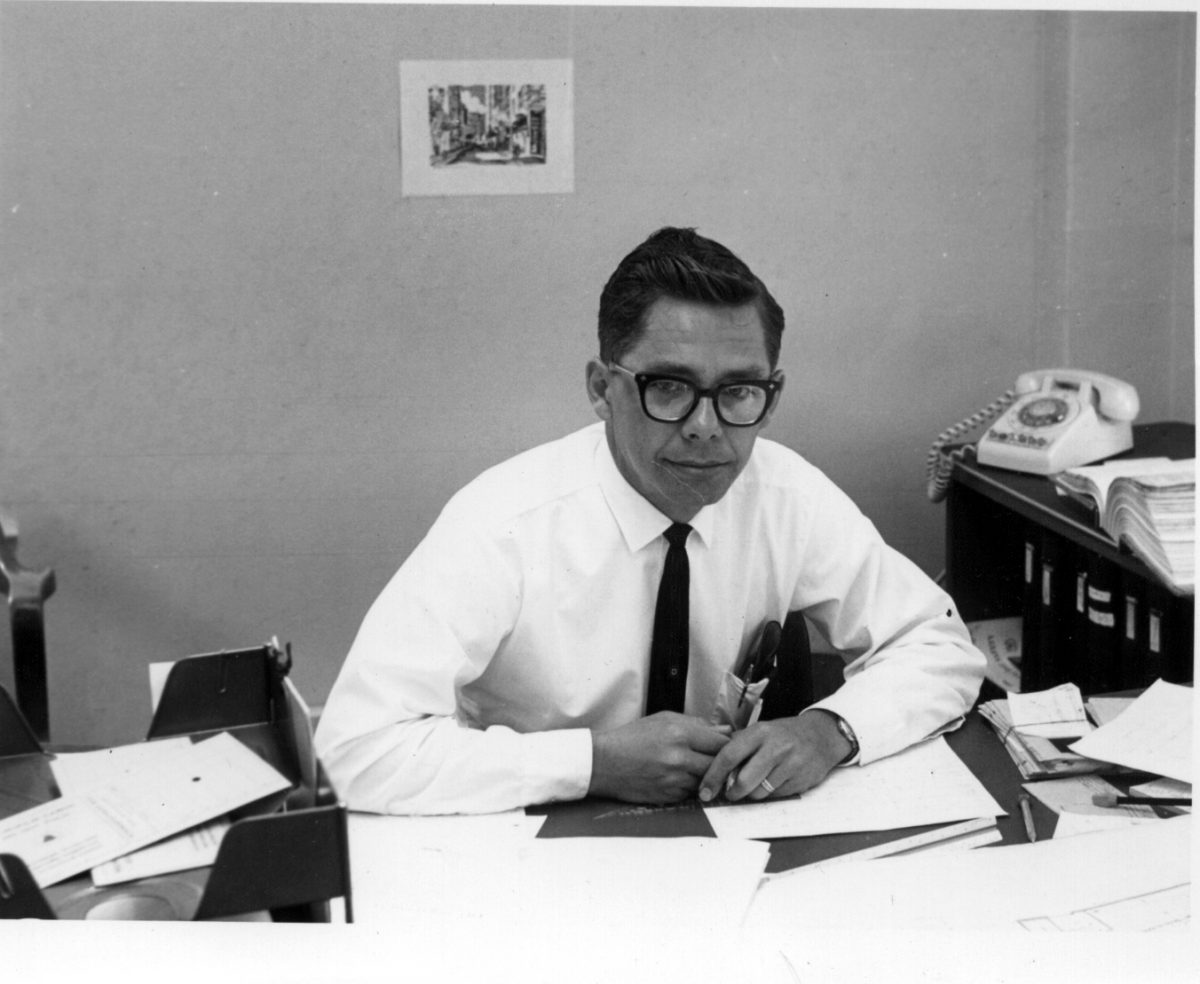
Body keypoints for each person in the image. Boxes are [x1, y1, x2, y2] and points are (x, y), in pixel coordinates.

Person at [314, 227, 986, 815]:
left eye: (738, 391)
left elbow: (939, 645)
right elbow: (353, 750)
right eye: (668, 387)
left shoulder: (787, 495)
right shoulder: (503, 522)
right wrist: (589, 763)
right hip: (532, 849)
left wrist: (829, 730)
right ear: (601, 390)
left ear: (772, 394)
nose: (705, 427)